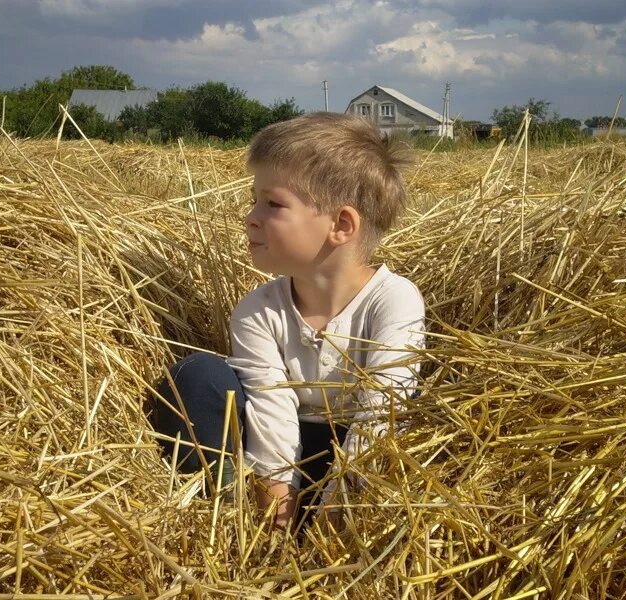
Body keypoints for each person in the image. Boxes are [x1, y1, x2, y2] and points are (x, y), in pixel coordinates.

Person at [151, 112, 425, 531]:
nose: (251, 217)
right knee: (197, 377)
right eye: (253, 199)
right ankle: (228, 512)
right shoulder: (256, 311)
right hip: (275, 459)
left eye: (273, 203)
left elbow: (381, 411)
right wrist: (277, 505)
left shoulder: (393, 300)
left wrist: (338, 508)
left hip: (357, 463)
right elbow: (271, 407)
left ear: (341, 224)